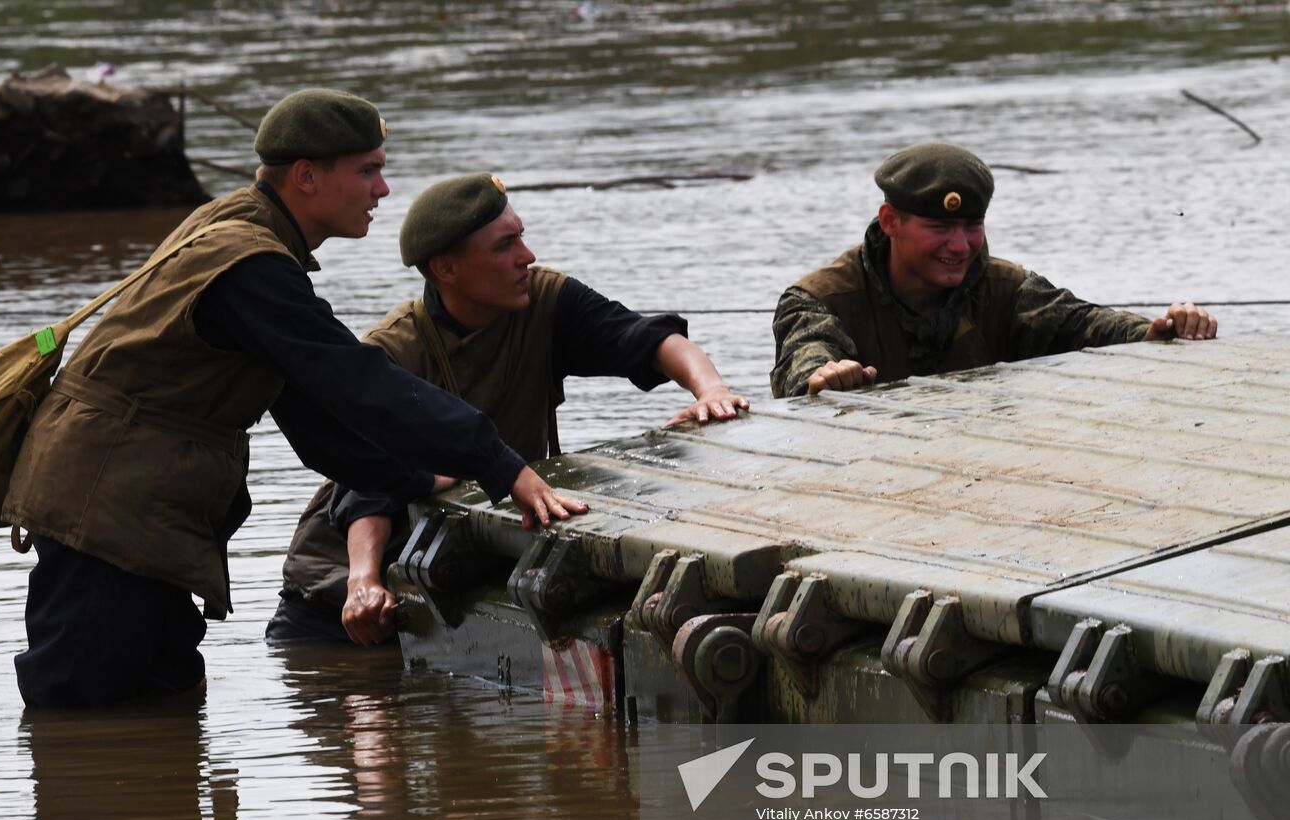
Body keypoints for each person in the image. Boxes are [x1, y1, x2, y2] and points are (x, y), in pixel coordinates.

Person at [1, 91, 585, 708]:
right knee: (83, 707)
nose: (382, 190)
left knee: (161, 705)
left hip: (139, 513)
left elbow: (314, 422)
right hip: (105, 510)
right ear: (306, 177)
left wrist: (415, 478)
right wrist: (497, 461)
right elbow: (358, 381)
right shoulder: (248, 263)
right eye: (367, 171)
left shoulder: (242, 232)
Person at [268, 172, 749, 646]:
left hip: (443, 572)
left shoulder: (543, 301)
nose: (527, 256)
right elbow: (366, 485)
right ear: (446, 268)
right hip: (337, 592)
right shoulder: (396, 349)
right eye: (504, 246)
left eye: (521, 236)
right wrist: (363, 580)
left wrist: (710, 390)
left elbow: (644, 338)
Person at [770, 142, 1218, 397]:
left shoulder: (1006, 289)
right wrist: (823, 376)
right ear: (890, 222)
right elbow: (804, 357)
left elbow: (1084, 324)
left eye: (972, 225)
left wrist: (1157, 331)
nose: (960, 245)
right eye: (940, 227)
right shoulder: (821, 298)